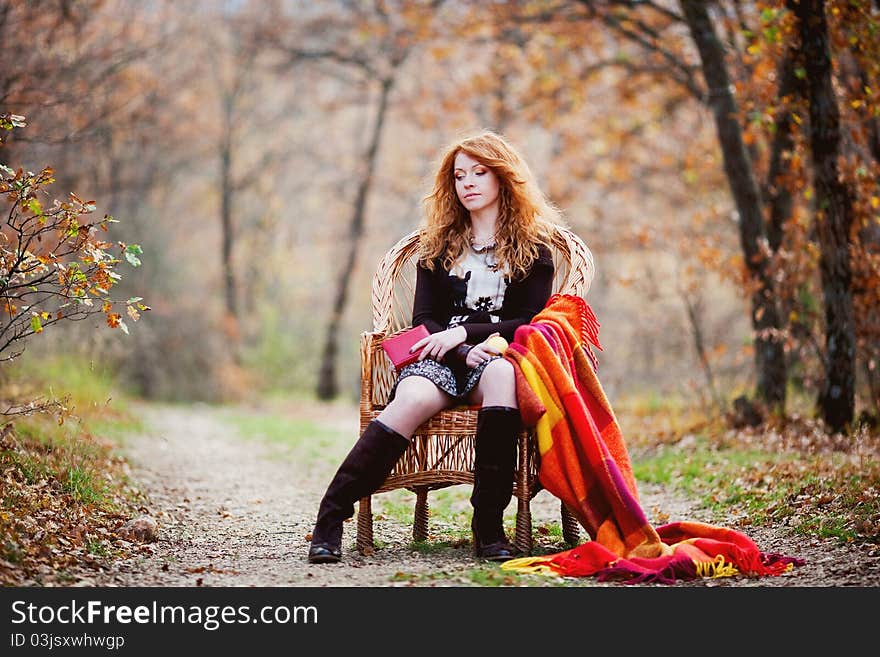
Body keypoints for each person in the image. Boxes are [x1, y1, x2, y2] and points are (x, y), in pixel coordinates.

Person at [307, 130, 562, 564]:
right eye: (460, 175)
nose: (468, 183)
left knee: (501, 376)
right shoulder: (439, 244)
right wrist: (457, 350)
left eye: (480, 172)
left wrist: (466, 335)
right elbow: (424, 319)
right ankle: (330, 519)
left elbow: (529, 319)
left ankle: (488, 525)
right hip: (438, 357)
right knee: (415, 397)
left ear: (503, 178)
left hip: (496, 355)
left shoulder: (534, 248)